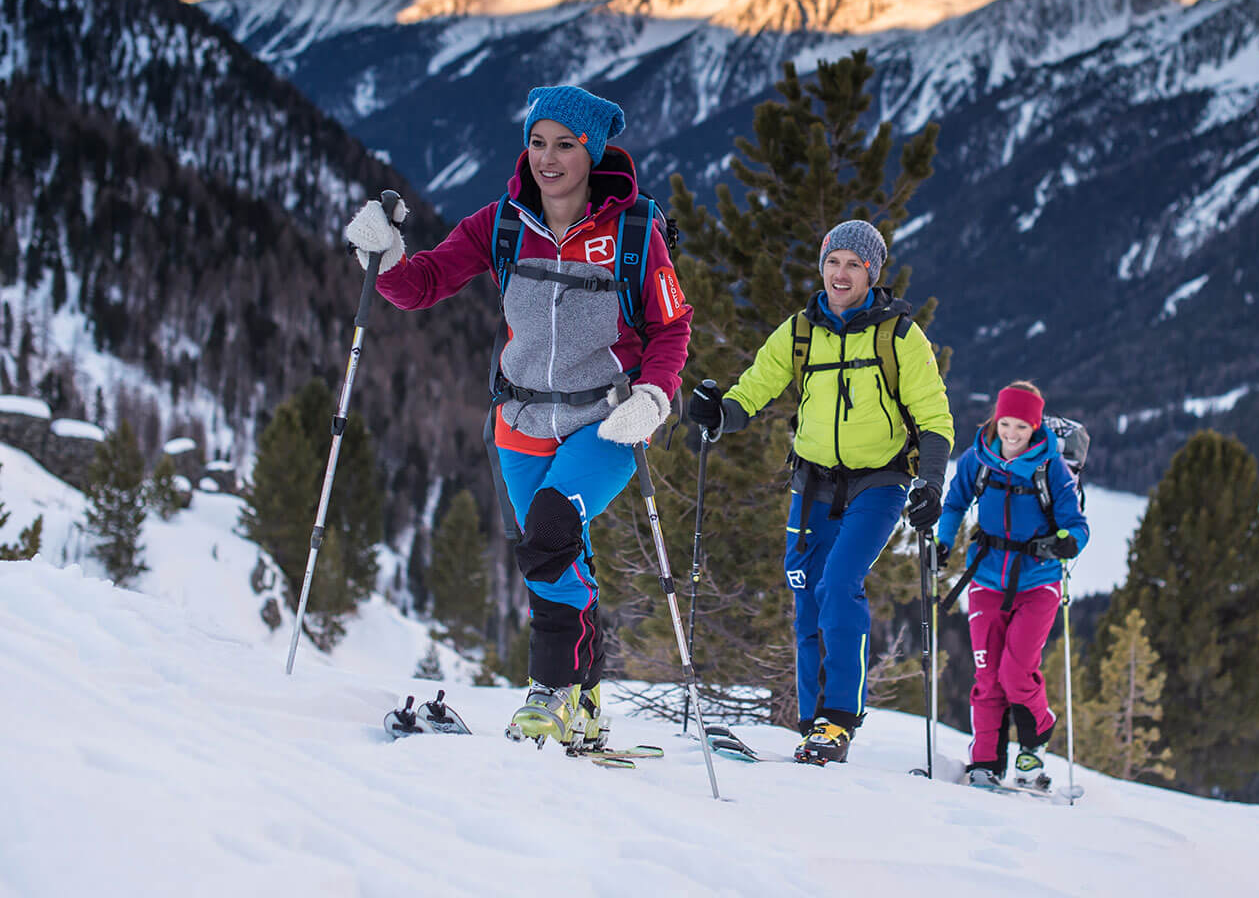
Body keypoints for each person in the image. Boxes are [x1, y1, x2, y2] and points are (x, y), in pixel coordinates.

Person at [344, 85, 691, 746]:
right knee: (554, 559)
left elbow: (670, 326)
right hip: (520, 420)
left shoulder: (635, 229)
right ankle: (586, 700)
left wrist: (655, 394)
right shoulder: (501, 222)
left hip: (608, 420)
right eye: (537, 143)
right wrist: (382, 260)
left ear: (592, 151)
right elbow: (421, 287)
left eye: (565, 145)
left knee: (551, 531)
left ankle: (549, 693)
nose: (548, 159)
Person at [687, 219, 954, 764]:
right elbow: (757, 386)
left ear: (871, 273)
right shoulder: (801, 330)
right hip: (812, 481)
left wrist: (930, 481)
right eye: (833, 261)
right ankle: (812, 725)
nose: (840, 273)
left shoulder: (899, 334)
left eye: (854, 264)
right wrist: (721, 415)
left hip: (879, 482)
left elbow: (934, 416)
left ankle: (838, 720)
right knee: (805, 596)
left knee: (839, 582)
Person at [935, 381, 1088, 790]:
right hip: (986, 578)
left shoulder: (1051, 467)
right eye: (1006, 423)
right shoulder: (977, 459)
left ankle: (1035, 739)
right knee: (987, 676)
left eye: (1021, 426)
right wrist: (943, 541)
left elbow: (1076, 525)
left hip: (1037, 582)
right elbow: (954, 502)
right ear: (995, 419)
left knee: (1016, 671)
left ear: (1034, 426)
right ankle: (984, 762)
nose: (1012, 434)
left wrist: (1065, 543)